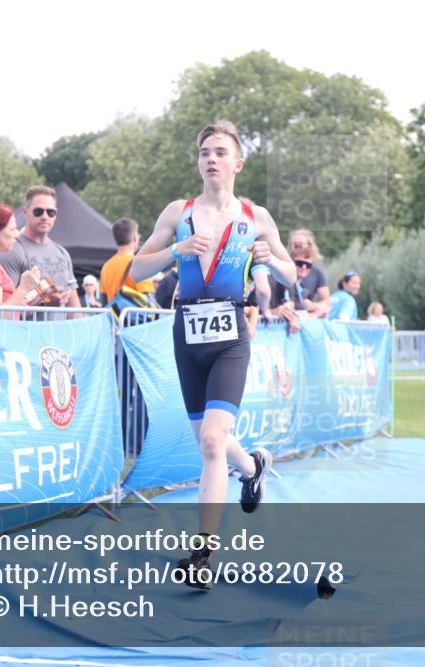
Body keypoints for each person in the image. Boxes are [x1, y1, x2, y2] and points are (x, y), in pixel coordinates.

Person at [130, 120, 296, 589]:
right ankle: (253, 468)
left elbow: (290, 276)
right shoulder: (178, 212)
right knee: (212, 441)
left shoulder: (255, 216)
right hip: (187, 333)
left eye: (221, 152)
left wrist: (270, 260)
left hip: (230, 337)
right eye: (205, 152)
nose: (211, 159)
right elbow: (137, 267)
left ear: (237, 163)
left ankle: (202, 555)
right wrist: (174, 251)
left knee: (209, 443)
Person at [0, 186, 81, 318]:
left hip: (59, 335)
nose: (44, 216)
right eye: (38, 211)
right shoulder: (12, 251)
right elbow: (4, 309)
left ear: (56, 215)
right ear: (25, 212)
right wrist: (45, 301)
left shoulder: (62, 253)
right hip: (27, 335)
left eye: (50, 212)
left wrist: (80, 335)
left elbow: (74, 307)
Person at [99, 217, 156, 309]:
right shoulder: (139, 264)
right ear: (134, 238)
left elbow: (104, 301)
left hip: (114, 320)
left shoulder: (106, 266)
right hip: (136, 321)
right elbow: (150, 302)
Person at [286, 229, 330, 317]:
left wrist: (314, 306)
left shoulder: (317, 273)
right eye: (295, 245)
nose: (304, 267)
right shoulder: (283, 268)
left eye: (301, 245)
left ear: (309, 246)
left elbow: (327, 302)